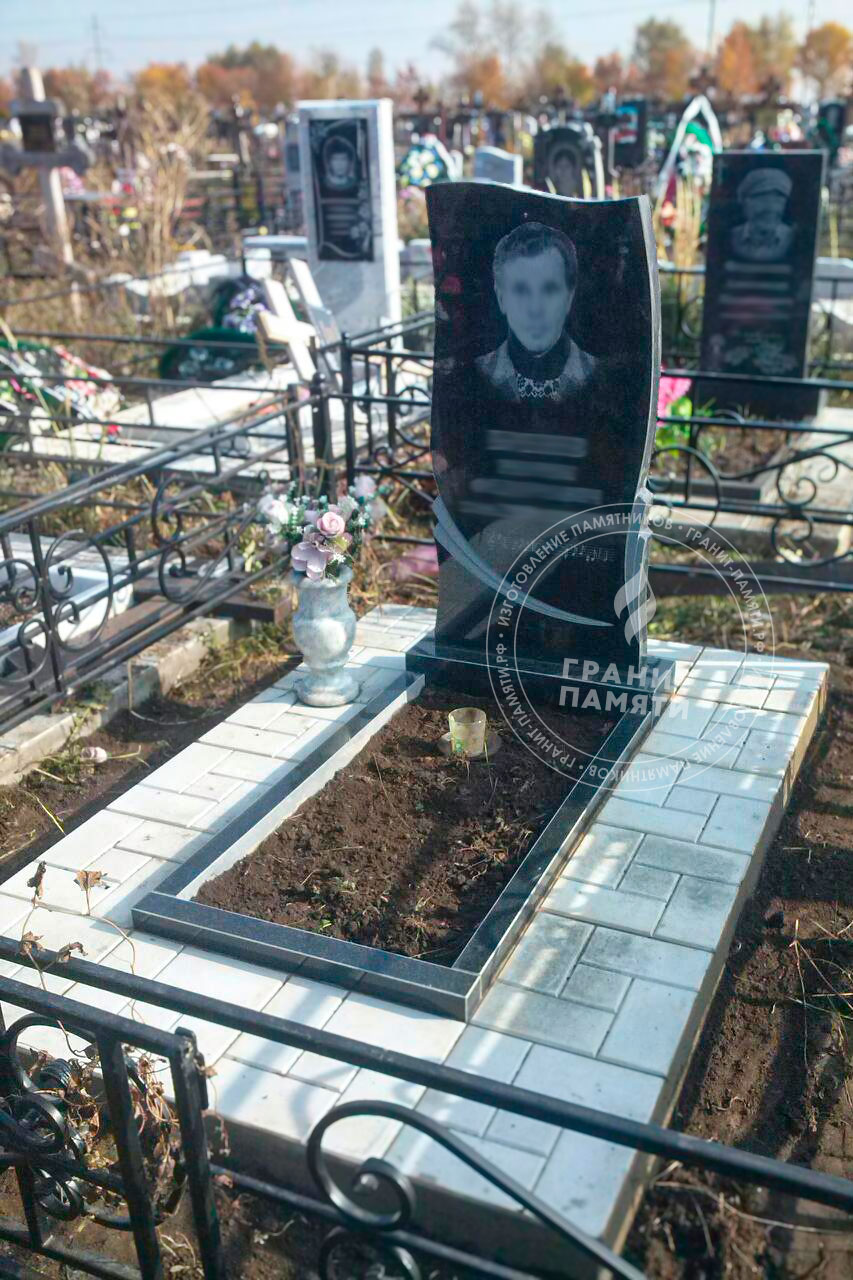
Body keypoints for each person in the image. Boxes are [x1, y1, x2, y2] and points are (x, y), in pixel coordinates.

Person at [475, 221, 597, 404]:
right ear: (501, 298)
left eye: (550, 289)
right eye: (521, 290)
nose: (535, 309)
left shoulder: (601, 376)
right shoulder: (473, 376)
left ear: (569, 298)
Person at [731, 167, 795, 263]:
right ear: (744, 202)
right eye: (761, 199)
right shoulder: (730, 237)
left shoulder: (793, 238)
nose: (771, 207)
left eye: (778, 200)